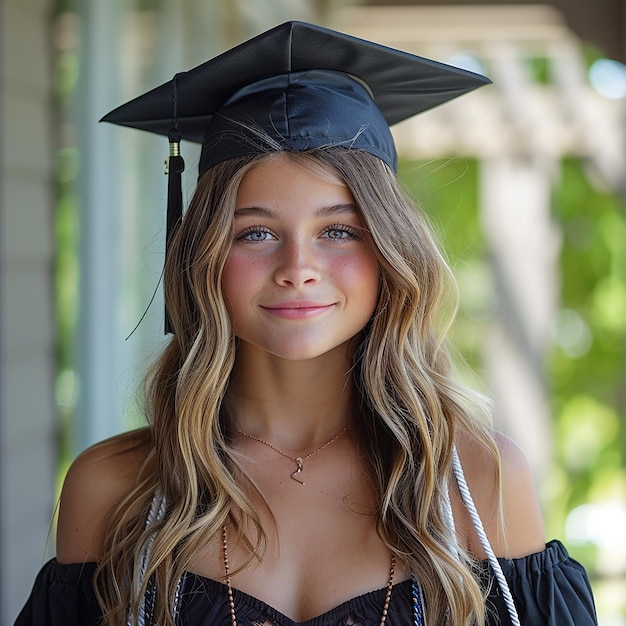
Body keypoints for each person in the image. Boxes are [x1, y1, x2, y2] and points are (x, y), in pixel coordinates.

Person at [16, 21, 597, 626]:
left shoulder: (478, 484)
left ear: (390, 253)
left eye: (338, 231)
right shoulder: (118, 488)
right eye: (257, 233)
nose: (298, 269)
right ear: (203, 255)